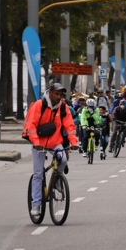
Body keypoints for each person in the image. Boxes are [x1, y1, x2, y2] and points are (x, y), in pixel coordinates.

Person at [26, 83, 79, 217]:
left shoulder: (63, 107)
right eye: (56, 94)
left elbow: (70, 126)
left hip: (55, 142)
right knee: (38, 174)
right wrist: (36, 142)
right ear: (50, 92)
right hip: (39, 143)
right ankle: (36, 205)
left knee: (64, 159)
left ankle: (56, 181)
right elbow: (31, 125)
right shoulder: (39, 105)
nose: (59, 97)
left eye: (61, 95)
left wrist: (74, 142)